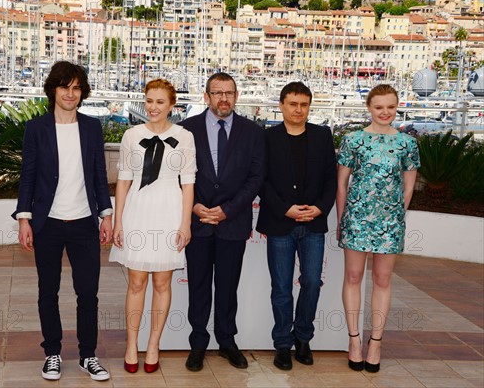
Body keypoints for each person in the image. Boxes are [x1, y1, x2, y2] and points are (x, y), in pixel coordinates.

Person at [12, 61, 112, 382]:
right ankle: (52, 353)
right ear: (53, 89)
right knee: (48, 291)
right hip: (48, 223)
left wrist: (105, 215)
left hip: (84, 222)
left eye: (76, 88)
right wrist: (24, 218)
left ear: (82, 92)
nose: (70, 93)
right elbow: (27, 177)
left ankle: (88, 356)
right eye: (64, 87)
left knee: (88, 293)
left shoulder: (92, 128)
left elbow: (99, 176)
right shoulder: (36, 129)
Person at [109, 78, 196, 373]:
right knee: (136, 282)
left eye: (160, 102)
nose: (153, 107)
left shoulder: (184, 136)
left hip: (170, 212)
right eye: (149, 101)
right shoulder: (131, 135)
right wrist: (118, 220)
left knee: (162, 283)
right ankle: (132, 344)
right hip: (137, 211)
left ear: (172, 105)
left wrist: (185, 224)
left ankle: (154, 344)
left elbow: (189, 184)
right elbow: (123, 181)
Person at [180, 72, 265, 371]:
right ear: (206, 96)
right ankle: (198, 344)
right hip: (198, 221)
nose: (223, 98)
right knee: (199, 287)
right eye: (217, 92)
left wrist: (227, 209)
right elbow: (177, 176)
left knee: (228, 288)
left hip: (233, 222)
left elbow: (256, 178)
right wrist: (195, 208)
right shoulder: (185, 130)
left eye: (229, 92)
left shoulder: (253, 132)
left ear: (236, 96)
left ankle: (227, 341)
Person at [336, 84, 420, 373]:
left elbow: (408, 187)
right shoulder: (353, 140)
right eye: (379, 107)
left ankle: (376, 343)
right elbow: (341, 183)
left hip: (390, 222)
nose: (385, 112)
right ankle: (354, 341)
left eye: (391, 107)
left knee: (383, 280)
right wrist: (341, 219)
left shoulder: (407, 143)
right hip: (357, 219)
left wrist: (396, 216)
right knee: (354, 276)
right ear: (369, 108)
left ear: (397, 108)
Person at [256, 82, 337, 371]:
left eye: (303, 104)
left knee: (312, 282)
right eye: (292, 104)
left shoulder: (322, 135)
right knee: (281, 288)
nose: (298, 110)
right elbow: (260, 180)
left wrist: (320, 208)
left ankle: (303, 338)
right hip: (280, 223)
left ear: (309, 106)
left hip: (313, 223)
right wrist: (284, 209)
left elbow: (331, 177)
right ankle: (282, 345)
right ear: (281, 105)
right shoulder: (267, 138)